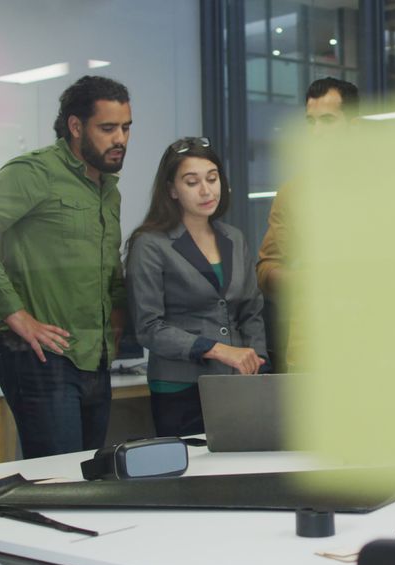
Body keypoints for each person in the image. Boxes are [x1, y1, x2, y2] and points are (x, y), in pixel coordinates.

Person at [0, 75, 132, 458]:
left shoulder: (109, 190)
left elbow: (108, 266)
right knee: (55, 481)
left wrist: (116, 321)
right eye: (108, 128)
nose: (121, 139)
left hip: (94, 356)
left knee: (90, 475)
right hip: (40, 354)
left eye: (126, 128)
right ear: (76, 126)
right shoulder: (37, 172)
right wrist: (14, 312)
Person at [126, 137, 268, 437]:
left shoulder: (234, 238)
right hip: (180, 388)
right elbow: (149, 326)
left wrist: (258, 361)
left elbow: (251, 310)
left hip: (237, 384)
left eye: (212, 179)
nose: (206, 190)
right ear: (171, 190)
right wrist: (219, 351)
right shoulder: (150, 244)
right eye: (192, 182)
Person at [256, 77, 358, 370]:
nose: (316, 133)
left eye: (327, 121)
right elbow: (266, 269)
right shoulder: (292, 194)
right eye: (310, 122)